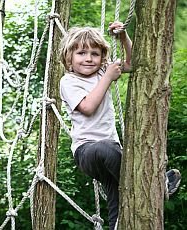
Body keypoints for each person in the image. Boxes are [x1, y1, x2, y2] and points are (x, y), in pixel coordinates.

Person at [59, 22, 181, 229]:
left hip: (114, 153)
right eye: (81, 53)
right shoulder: (69, 81)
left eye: (95, 54)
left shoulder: (101, 72)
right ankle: (157, 186)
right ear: (69, 58)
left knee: (119, 198)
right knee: (106, 149)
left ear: (102, 58)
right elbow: (87, 107)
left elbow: (134, 64)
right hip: (88, 152)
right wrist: (107, 77)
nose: (89, 58)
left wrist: (123, 37)